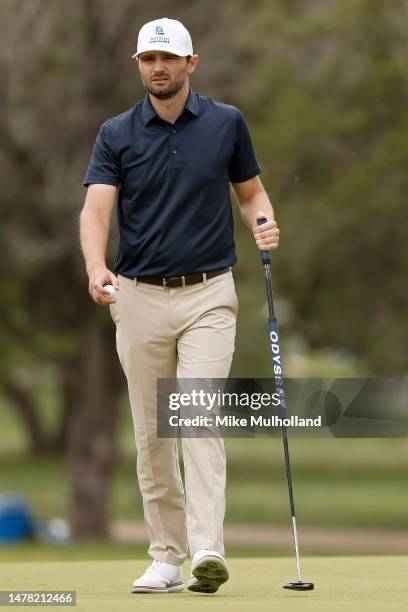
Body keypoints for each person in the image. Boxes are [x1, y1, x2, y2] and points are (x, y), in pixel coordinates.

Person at [80, 16, 279, 595]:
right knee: (153, 434)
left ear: (191, 64)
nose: (157, 68)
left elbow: (252, 193)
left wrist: (263, 224)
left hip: (210, 294)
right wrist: (97, 266)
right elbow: (96, 211)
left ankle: (207, 549)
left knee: (194, 418)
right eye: (147, 59)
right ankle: (166, 556)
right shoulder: (116, 132)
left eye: (167, 59)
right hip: (138, 297)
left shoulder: (226, 123)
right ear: (139, 65)